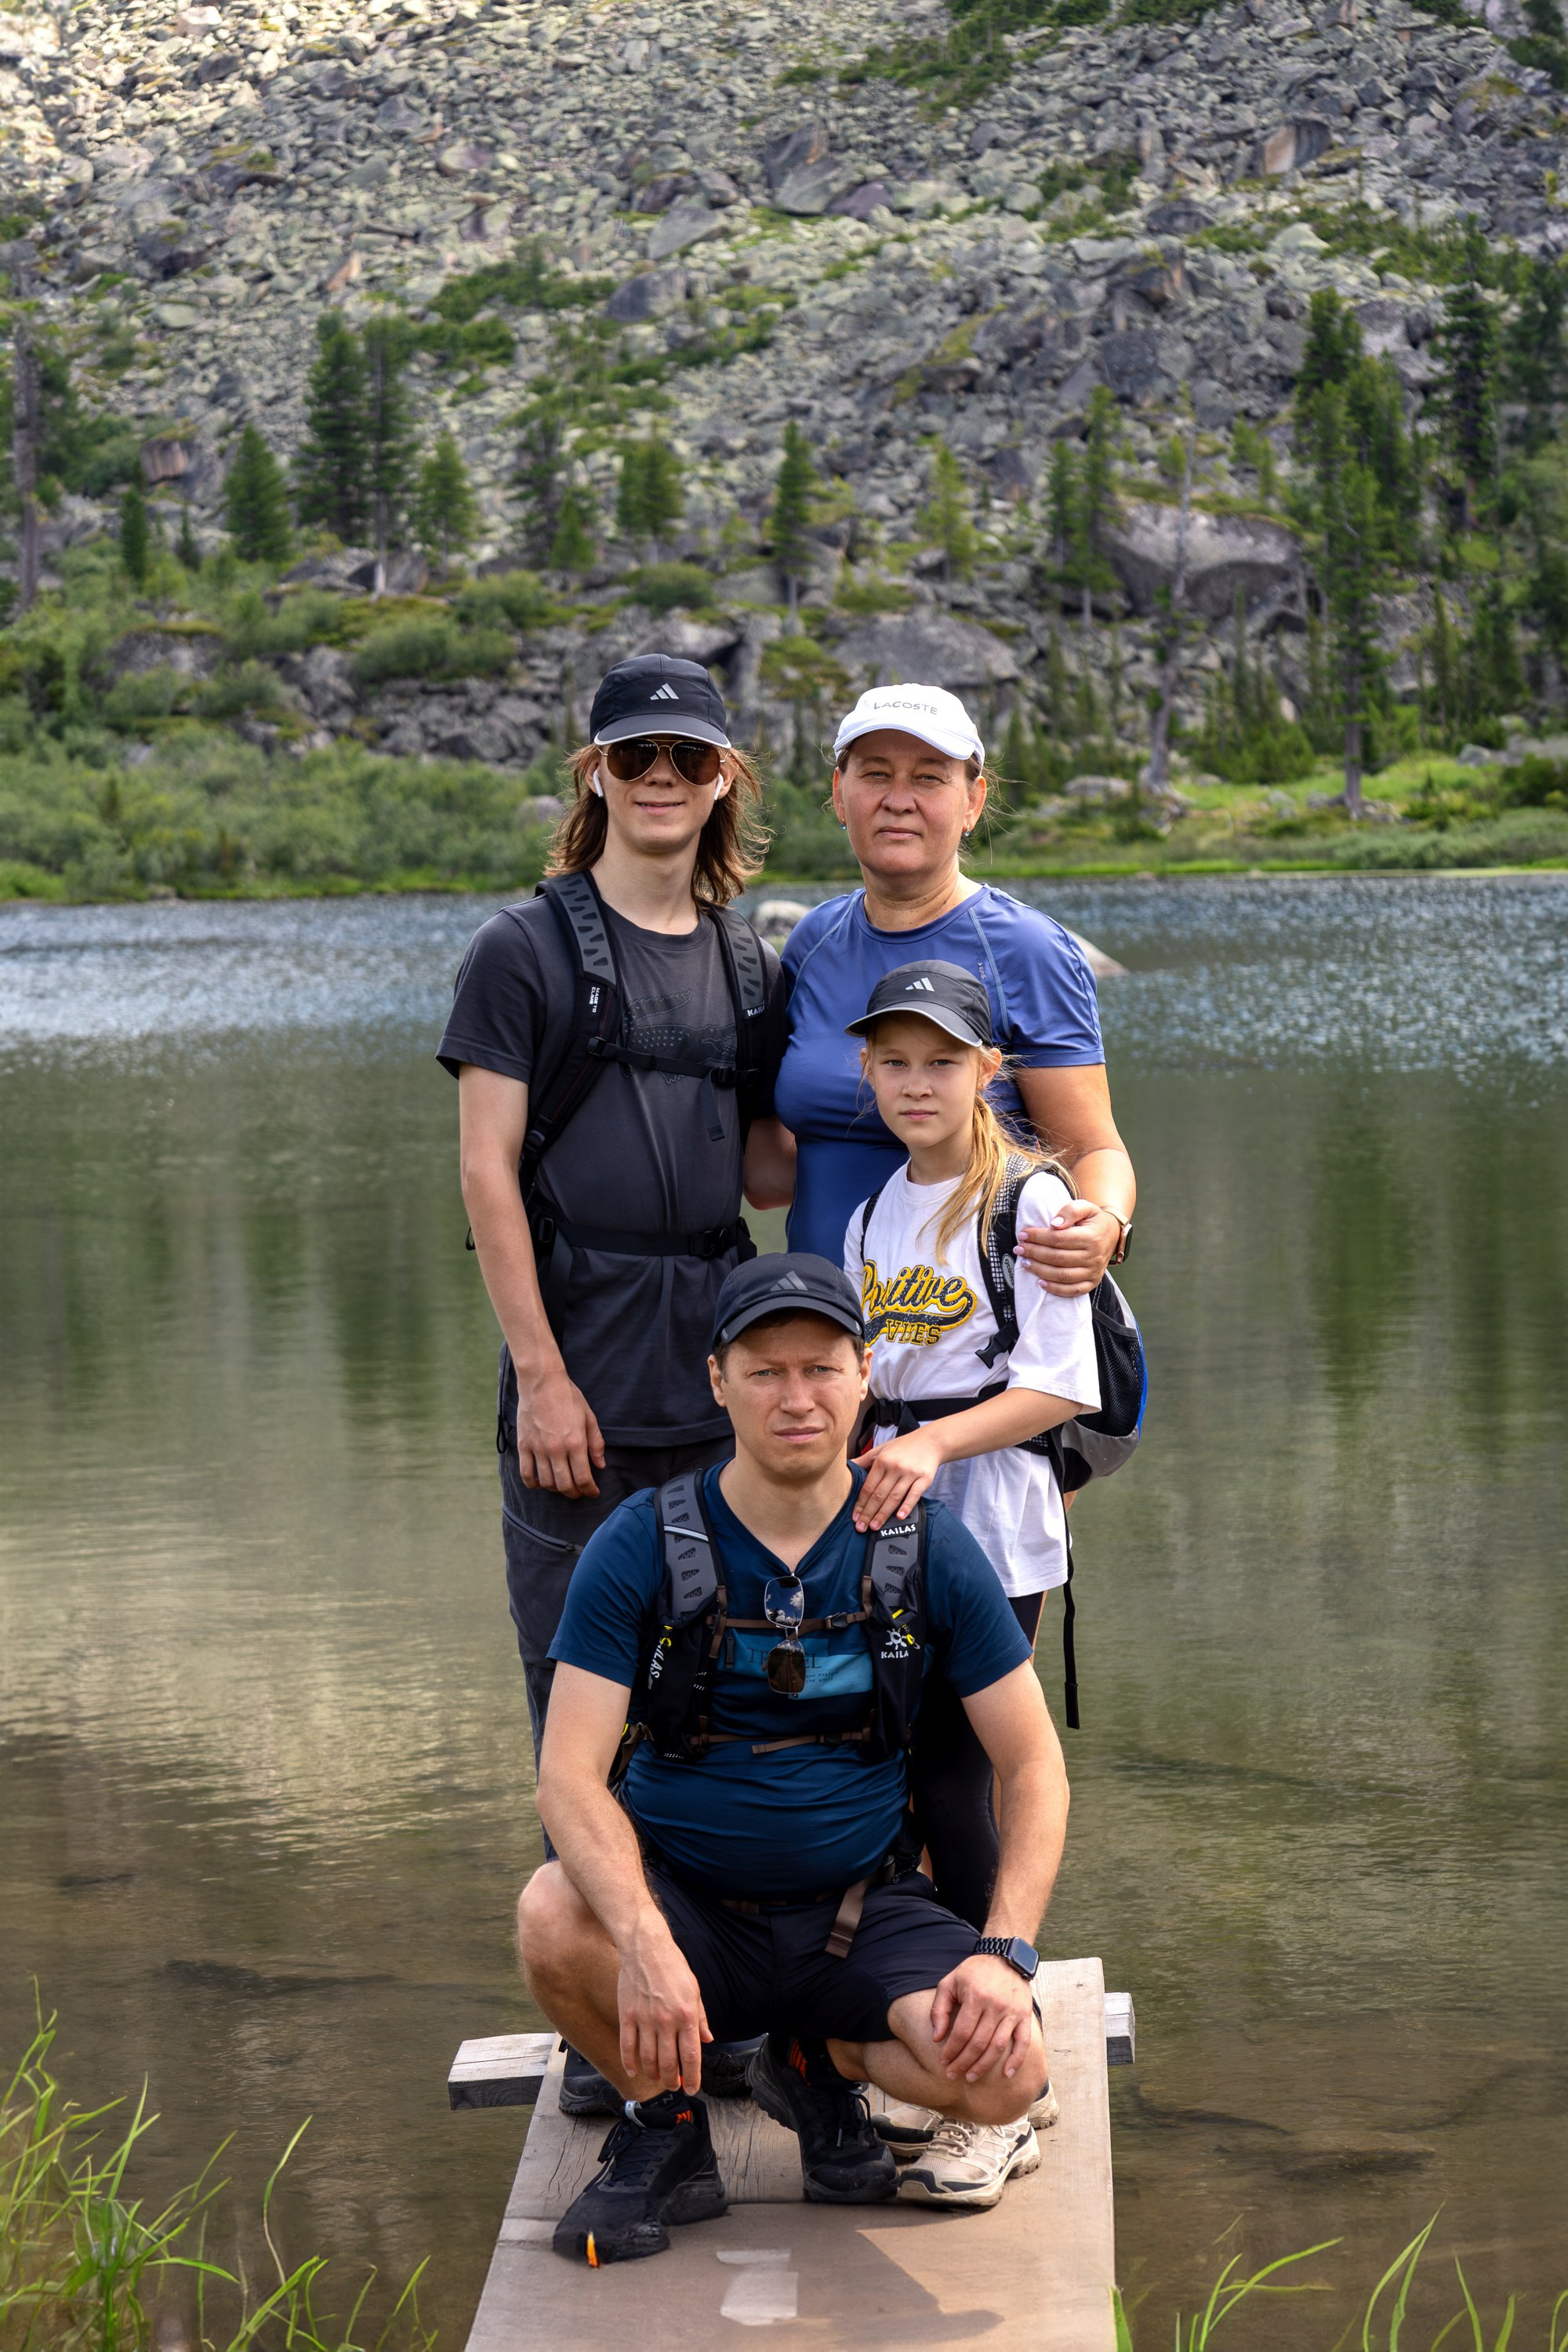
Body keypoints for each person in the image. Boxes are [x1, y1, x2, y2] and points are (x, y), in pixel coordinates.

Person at [517, 1254, 1071, 2261]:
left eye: (820, 1368)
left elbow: (1033, 1768)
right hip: (690, 1912)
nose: (796, 1397)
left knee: (1008, 2074)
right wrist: (642, 1940)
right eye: (764, 1371)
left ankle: (812, 2056)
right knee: (552, 1917)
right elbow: (567, 1776)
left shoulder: (928, 1546)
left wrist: (1003, 1954)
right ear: (717, 1381)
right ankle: (667, 2129)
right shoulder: (639, 1540)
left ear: (864, 1376)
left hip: (855, 1918)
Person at [438, 652, 790, 2113]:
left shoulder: (748, 961)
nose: (661, 778)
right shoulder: (522, 950)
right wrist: (539, 1375)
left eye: (689, 759)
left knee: (726, 1698)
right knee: (576, 1707)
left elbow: (773, 1165)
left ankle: (730, 2003)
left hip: (715, 1387)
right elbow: (485, 1173)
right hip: (576, 1388)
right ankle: (607, 2028)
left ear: (724, 783)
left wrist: (963, 1123)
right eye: (633, 755)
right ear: (594, 775)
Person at [842, 956, 1100, 1940]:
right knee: (900, 1766)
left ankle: (995, 2010)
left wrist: (931, 1447)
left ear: (987, 1068)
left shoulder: (1026, 1201)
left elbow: (1059, 1384)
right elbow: (867, 1387)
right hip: (892, 1527)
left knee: (955, 1772)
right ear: (865, 1072)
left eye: (941, 1062)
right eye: (894, 1061)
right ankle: (913, 1981)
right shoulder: (870, 1220)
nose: (916, 1082)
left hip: (993, 1523)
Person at [748, 682, 1135, 1304]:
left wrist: (1104, 1225)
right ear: (839, 795)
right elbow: (771, 1177)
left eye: (929, 779)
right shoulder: (813, 941)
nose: (898, 801)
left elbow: (1093, 1149)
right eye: (875, 774)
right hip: (826, 1334)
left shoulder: (1029, 950)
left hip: (971, 1337)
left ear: (973, 801)